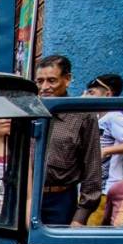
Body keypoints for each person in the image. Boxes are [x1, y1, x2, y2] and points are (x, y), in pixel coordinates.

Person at [35, 54, 102, 225]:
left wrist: (80, 217)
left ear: (67, 79)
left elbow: (92, 167)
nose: (45, 87)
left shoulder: (82, 115)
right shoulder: (30, 113)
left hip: (61, 200)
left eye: (51, 80)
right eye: (40, 81)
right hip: (27, 197)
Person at [85, 73, 123, 191]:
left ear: (107, 94)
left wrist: (106, 151)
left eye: (91, 93)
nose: (85, 97)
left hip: (107, 189)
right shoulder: (95, 118)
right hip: (91, 187)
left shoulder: (114, 116)